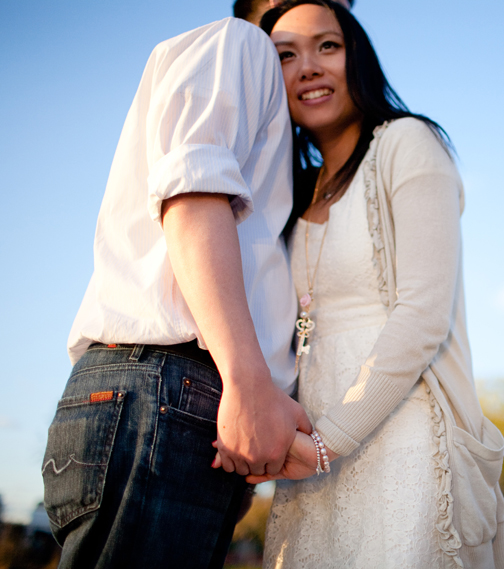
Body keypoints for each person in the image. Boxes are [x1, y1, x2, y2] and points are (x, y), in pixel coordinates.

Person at [41, 16, 314, 569]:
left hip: (171, 399)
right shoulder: (242, 44)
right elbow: (191, 192)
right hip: (169, 388)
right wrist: (247, 381)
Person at [249, 2, 504, 568]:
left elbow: (423, 314)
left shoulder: (407, 144)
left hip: (402, 437)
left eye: (328, 46)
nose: (309, 67)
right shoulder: (289, 193)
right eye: (285, 56)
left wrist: (332, 439)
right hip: (311, 457)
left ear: (357, 57)